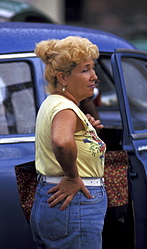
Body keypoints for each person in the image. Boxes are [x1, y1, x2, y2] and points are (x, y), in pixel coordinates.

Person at [30, 36, 107, 249]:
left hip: (54, 201)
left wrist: (85, 127)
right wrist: (73, 177)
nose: (94, 77)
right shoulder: (65, 108)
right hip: (74, 204)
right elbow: (61, 142)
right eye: (85, 70)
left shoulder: (55, 103)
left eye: (93, 69)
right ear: (63, 78)